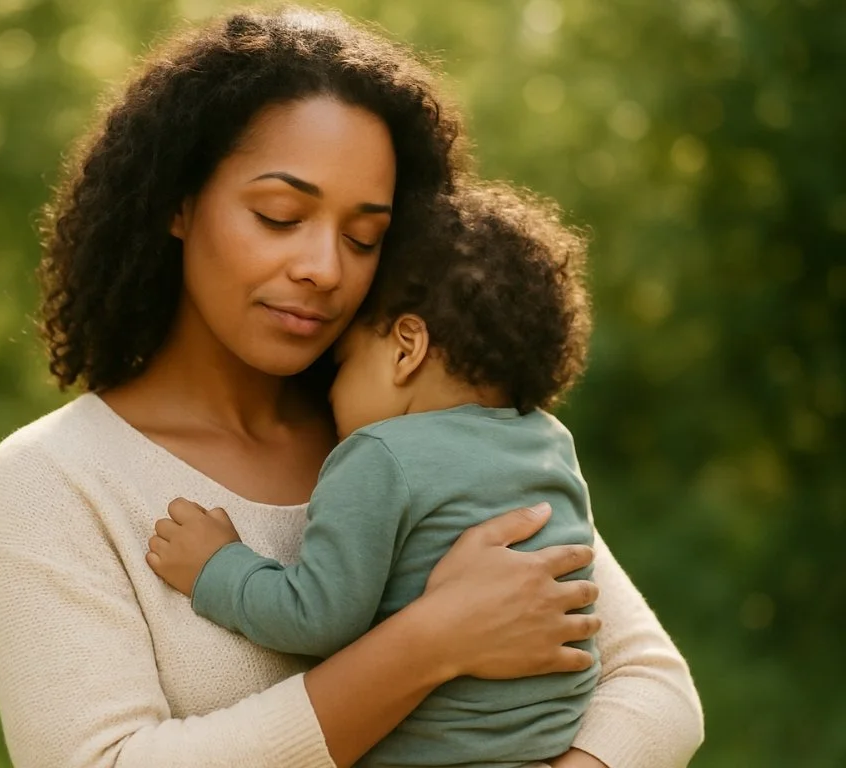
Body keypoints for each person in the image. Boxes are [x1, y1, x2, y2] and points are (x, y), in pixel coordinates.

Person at [0, 7, 704, 768]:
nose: (325, 268)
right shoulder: (56, 479)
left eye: (364, 238)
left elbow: (652, 686)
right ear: (178, 203)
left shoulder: (418, 423)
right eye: (280, 214)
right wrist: (428, 641)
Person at [146, 183, 599, 768]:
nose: (330, 391)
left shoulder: (380, 454)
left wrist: (216, 567)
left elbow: (317, 617)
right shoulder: (547, 442)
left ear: (407, 347)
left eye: (343, 364)